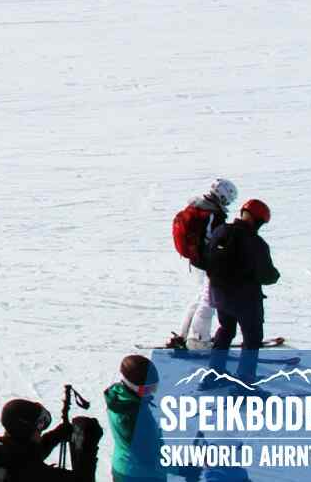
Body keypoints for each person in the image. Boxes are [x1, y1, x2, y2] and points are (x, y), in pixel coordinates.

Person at [167, 177, 237, 350]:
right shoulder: (211, 213)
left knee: (201, 298)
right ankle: (198, 340)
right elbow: (213, 239)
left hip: (196, 260)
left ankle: (183, 335)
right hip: (206, 262)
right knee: (208, 302)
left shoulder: (197, 207)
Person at [0, 397, 102, 482]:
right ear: (24, 430)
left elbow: (30, 454)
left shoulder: (1, 449)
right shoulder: (31, 473)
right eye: (38, 427)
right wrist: (88, 447)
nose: (40, 432)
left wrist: (57, 435)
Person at [207, 198, 278, 354]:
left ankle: (215, 367)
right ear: (256, 220)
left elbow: (208, 258)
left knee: (226, 329)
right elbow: (267, 275)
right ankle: (247, 369)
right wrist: (275, 275)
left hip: (218, 294)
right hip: (245, 299)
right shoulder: (256, 243)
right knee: (252, 337)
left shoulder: (220, 231)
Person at [104, 355, 163, 482]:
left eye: (154, 387)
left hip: (123, 467)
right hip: (138, 475)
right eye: (146, 389)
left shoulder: (121, 397)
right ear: (131, 386)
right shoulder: (132, 414)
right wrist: (182, 468)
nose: (151, 392)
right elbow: (146, 457)